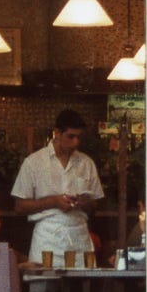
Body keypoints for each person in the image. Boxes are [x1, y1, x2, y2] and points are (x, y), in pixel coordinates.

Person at [11, 109, 103, 265]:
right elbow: (19, 206)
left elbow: (95, 206)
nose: (76, 142)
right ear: (57, 133)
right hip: (47, 237)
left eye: (79, 137)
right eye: (71, 136)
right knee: (43, 279)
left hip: (79, 238)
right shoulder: (34, 162)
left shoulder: (87, 163)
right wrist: (53, 202)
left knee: (81, 280)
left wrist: (83, 202)